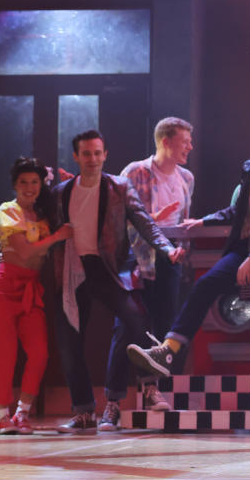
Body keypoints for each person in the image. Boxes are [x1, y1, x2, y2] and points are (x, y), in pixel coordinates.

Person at [130, 114, 250, 406]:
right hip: (244, 249)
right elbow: (237, 211)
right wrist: (203, 221)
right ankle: (168, 350)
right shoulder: (249, 168)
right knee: (206, 283)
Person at [51, 130, 185, 433]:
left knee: (135, 319)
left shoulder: (119, 186)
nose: (92, 159)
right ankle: (84, 411)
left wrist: (166, 248)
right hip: (73, 269)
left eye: (97, 153)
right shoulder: (61, 191)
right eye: (86, 154)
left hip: (107, 267)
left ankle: (148, 388)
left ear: (105, 155)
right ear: (76, 156)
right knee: (70, 342)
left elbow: (143, 220)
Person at [107, 117, 194, 426]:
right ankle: (113, 402)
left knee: (162, 329)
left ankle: (152, 390)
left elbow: (184, 220)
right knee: (127, 326)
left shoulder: (186, 177)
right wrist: (153, 218)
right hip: (136, 259)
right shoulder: (134, 172)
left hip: (170, 260)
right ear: (166, 142)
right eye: (184, 142)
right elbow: (119, 220)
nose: (189, 148)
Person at [0, 158, 73, 434]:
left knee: (39, 353)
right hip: (3, 289)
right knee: (5, 356)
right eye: (23, 182)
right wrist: (58, 237)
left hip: (30, 289)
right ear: (14, 184)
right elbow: (23, 251)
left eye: (35, 182)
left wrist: (69, 184)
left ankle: (23, 412)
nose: (29, 187)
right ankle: (2, 415)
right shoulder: (7, 211)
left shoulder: (43, 216)